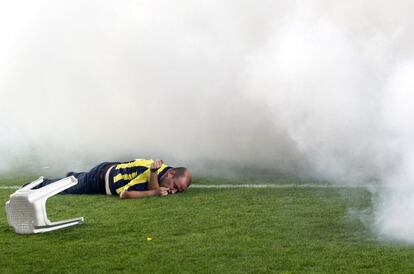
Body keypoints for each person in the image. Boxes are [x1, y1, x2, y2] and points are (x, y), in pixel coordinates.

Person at [33, 159, 192, 199]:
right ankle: (39, 184)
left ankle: (74, 175)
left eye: (179, 190)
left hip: (106, 170)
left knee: (78, 179)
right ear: (171, 174)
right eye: (176, 186)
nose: (174, 191)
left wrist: (155, 188)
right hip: (99, 180)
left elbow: (153, 183)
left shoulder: (162, 170)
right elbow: (125, 194)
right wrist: (154, 193)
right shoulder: (149, 170)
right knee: (68, 189)